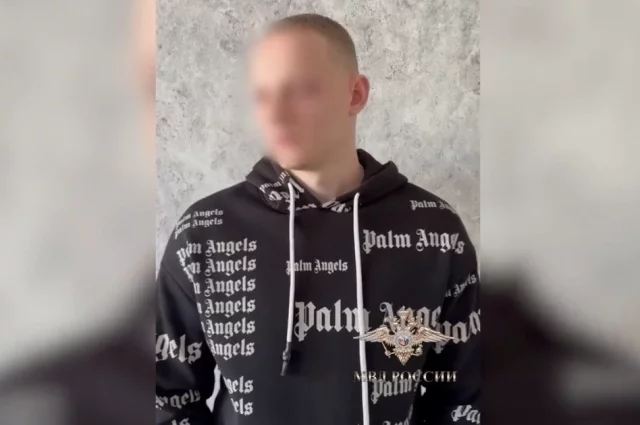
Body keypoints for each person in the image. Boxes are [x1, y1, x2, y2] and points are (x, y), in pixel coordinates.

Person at [156, 13, 480, 425]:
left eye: (301, 90)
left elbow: (465, 396)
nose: (277, 115)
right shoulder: (203, 232)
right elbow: (165, 396)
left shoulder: (435, 231)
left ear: (355, 95)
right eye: (262, 95)